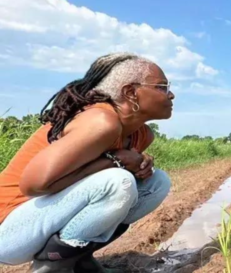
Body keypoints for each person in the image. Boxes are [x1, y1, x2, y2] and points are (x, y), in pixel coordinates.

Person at [0, 53, 174, 272]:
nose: (171, 95)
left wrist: (136, 163)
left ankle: (80, 260)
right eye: (162, 87)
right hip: (9, 230)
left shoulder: (142, 135)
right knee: (117, 182)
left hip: (43, 218)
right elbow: (33, 185)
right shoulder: (100, 121)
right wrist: (117, 161)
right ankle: (52, 266)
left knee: (157, 182)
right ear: (131, 93)